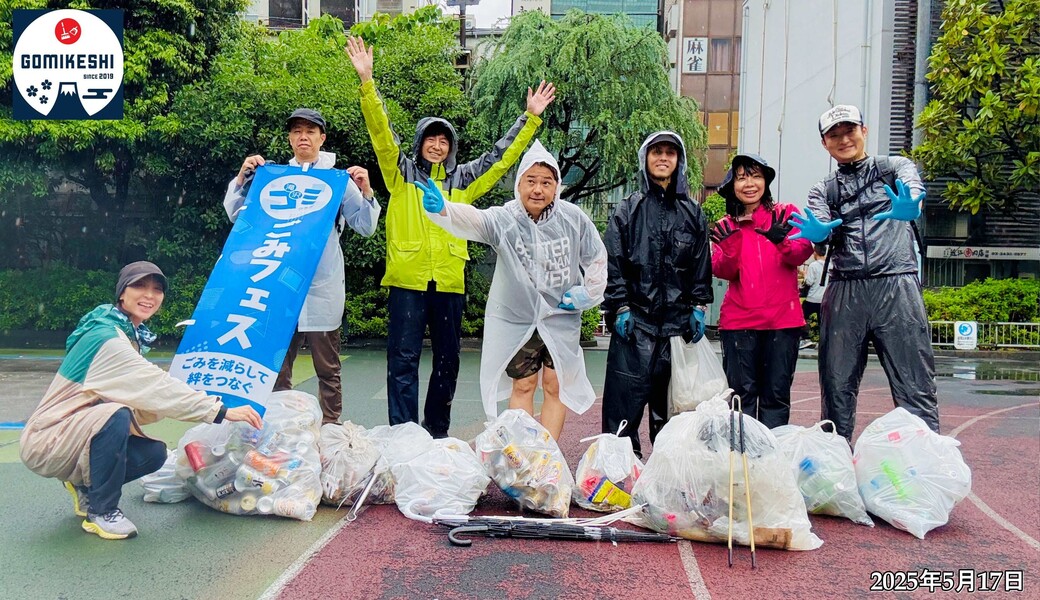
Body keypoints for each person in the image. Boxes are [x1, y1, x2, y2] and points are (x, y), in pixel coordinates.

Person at [345, 37, 554, 438]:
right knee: (402, 360)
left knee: (447, 361)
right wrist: (367, 83)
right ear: (420, 143)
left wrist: (529, 119)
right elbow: (382, 135)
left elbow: (500, 158)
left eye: (444, 140)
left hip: (449, 282)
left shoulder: (462, 181)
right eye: (431, 139)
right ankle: (404, 435)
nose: (437, 145)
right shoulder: (400, 174)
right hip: (406, 281)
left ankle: (437, 433)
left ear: (451, 147)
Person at [20, 262, 264, 540]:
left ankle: (85, 485)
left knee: (153, 454)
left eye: (157, 289)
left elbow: (148, 395)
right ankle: (102, 511)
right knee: (116, 415)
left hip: (74, 434)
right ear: (122, 293)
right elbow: (154, 386)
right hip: (47, 438)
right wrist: (219, 410)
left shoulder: (124, 332)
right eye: (139, 286)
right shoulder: (106, 338)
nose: (149, 295)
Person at [417, 141, 606, 439]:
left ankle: (549, 456)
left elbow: (596, 256)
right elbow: (474, 219)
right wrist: (444, 209)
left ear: (556, 186)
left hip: (561, 316)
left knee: (555, 385)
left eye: (546, 182)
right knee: (524, 385)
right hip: (518, 319)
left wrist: (588, 293)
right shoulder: (505, 219)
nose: (538, 190)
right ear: (519, 184)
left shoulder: (572, 219)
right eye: (530, 181)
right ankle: (526, 454)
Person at [789, 104, 940, 442]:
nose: (844, 139)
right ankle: (836, 466)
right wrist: (819, 234)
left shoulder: (894, 166)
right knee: (836, 388)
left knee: (915, 385)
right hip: (845, 289)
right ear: (824, 143)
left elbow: (913, 187)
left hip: (896, 283)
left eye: (850, 131)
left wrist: (912, 202)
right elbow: (821, 225)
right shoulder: (823, 189)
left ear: (864, 130)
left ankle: (928, 467)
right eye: (834, 135)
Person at [225, 108, 380, 425]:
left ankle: (330, 426)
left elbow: (365, 225)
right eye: (297, 131)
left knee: (327, 365)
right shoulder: (274, 176)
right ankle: (283, 426)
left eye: (310, 131)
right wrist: (242, 178)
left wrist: (366, 191)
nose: (303, 137)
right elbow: (239, 216)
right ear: (290, 138)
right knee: (278, 361)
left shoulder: (338, 180)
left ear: (322, 138)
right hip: (279, 283)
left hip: (322, 283)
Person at [601, 131, 713, 458]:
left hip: (677, 329)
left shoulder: (693, 213)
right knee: (622, 413)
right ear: (645, 159)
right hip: (634, 327)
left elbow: (699, 264)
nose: (663, 158)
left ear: (679, 161)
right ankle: (619, 474)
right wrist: (620, 307)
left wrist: (699, 306)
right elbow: (614, 261)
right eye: (656, 152)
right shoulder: (627, 210)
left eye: (670, 152)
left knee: (674, 416)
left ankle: (668, 481)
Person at [710, 154, 813, 429]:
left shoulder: (785, 213)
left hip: (783, 322)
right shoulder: (726, 225)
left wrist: (783, 242)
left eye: (755, 176)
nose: (749, 184)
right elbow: (722, 270)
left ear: (766, 181)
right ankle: (742, 461)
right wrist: (730, 248)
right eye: (741, 177)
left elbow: (803, 251)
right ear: (733, 185)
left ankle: (771, 460)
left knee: (776, 397)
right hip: (739, 323)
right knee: (740, 399)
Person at [799, 243, 828, 349]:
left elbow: (809, 282)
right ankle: (823, 339)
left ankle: (806, 338)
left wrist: (804, 275)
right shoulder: (830, 264)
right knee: (823, 320)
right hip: (825, 297)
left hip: (813, 297)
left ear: (815, 253)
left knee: (805, 317)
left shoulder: (813, 265)